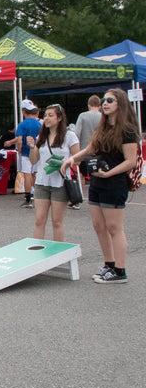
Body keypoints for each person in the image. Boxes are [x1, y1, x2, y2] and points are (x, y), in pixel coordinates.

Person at [62, 89, 140, 284]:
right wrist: (72, 159)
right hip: (97, 182)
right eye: (104, 100)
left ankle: (120, 271)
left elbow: (130, 161)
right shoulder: (102, 127)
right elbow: (90, 149)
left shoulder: (127, 130)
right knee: (98, 226)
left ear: (119, 104)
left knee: (114, 227)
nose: (105, 103)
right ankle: (109, 264)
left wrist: (109, 173)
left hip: (114, 183)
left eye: (110, 100)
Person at [27, 104, 80, 242]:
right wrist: (33, 147)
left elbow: (78, 159)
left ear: (60, 118)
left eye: (51, 115)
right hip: (42, 182)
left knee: (57, 221)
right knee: (39, 220)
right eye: (45, 115)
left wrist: (65, 163)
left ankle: (58, 254)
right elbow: (34, 161)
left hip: (60, 183)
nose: (46, 118)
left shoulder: (69, 136)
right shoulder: (42, 136)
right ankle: (37, 252)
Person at [15, 99, 41, 208]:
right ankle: (37, 195)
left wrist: (19, 150)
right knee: (35, 173)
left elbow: (19, 139)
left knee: (27, 174)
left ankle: (28, 198)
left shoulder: (22, 124)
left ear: (23, 111)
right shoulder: (39, 123)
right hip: (37, 151)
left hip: (26, 152)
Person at [73, 95, 103, 182]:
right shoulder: (103, 117)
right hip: (99, 150)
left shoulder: (82, 116)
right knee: (98, 173)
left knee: (82, 175)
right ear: (100, 106)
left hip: (84, 150)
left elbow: (77, 133)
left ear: (88, 105)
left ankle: (81, 194)